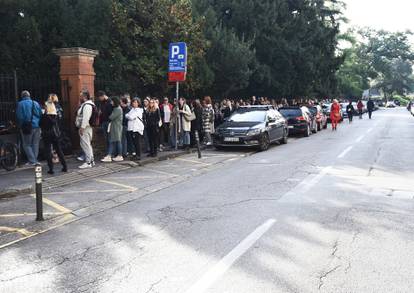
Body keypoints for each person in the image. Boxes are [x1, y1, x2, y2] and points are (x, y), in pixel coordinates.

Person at [40, 100, 67, 174]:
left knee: (48, 151)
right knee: (59, 150)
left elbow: (41, 124)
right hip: (55, 134)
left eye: (45, 106)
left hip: (47, 134)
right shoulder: (56, 115)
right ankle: (65, 166)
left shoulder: (44, 116)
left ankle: (51, 169)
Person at [16, 90, 42, 166]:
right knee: (35, 144)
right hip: (37, 126)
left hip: (26, 126)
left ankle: (32, 160)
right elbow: (40, 114)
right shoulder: (35, 103)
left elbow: (19, 116)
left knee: (27, 144)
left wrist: (21, 125)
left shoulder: (20, 104)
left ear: (22, 96)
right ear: (29, 96)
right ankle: (35, 160)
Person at [75, 90, 95, 169]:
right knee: (88, 144)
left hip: (85, 128)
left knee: (85, 144)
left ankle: (88, 162)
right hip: (87, 127)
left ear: (85, 97)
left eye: (81, 96)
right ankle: (91, 160)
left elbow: (86, 118)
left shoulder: (87, 106)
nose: (80, 98)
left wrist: (82, 127)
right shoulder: (87, 105)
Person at [101, 97, 123, 162]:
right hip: (116, 127)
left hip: (116, 127)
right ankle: (118, 155)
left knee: (112, 141)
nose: (111, 103)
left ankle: (110, 155)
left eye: (112, 101)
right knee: (116, 141)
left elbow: (111, 117)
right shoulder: (117, 108)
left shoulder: (117, 109)